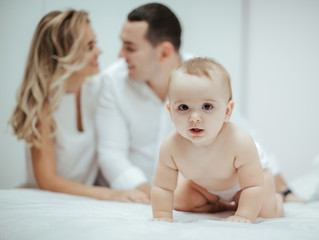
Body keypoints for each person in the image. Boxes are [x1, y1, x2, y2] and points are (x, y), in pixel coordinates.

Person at [97, 2, 303, 206]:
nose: (120, 55)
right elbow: (111, 152)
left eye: (129, 47)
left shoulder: (205, 76)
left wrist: (284, 190)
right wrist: (151, 193)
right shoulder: (113, 82)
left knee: (262, 204)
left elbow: (246, 137)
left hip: (201, 184)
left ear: (164, 52)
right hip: (158, 191)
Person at [8, 9, 149, 203]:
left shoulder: (99, 88)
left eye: (95, 42)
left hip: (85, 199)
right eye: (89, 46)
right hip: (45, 200)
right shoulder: (43, 105)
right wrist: (112, 194)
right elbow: (47, 181)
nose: (99, 51)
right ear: (65, 55)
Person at [151, 57, 284, 223]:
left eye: (207, 107)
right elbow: (162, 187)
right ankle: (221, 205)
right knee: (179, 200)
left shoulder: (240, 142)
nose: (194, 118)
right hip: (205, 187)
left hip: (246, 184)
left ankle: (277, 201)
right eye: (183, 107)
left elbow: (253, 186)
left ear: (227, 111)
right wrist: (162, 215)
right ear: (171, 111)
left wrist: (243, 216)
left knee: (263, 212)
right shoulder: (171, 146)